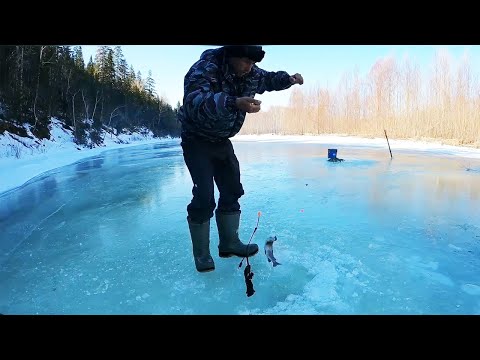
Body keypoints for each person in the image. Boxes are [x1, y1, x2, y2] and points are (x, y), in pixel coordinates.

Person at [177, 45, 304, 272]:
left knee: (233, 189)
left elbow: (269, 79)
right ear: (231, 56)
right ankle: (202, 254)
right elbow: (194, 102)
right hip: (196, 139)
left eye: (253, 63)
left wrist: (290, 79)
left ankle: (228, 243)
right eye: (245, 61)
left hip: (221, 141)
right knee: (205, 196)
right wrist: (233, 102)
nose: (250, 67)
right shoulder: (205, 68)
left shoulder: (252, 72)